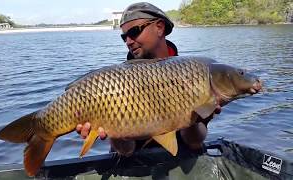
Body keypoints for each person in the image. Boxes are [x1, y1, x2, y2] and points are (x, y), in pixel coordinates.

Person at [76, 2, 221, 154]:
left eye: (134, 32)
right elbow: (126, 151)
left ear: (159, 27)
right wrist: (115, 132)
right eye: (124, 37)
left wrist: (197, 120)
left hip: (182, 162)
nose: (129, 42)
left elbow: (194, 142)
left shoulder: (192, 73)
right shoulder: (117, 83)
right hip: (135, 167)